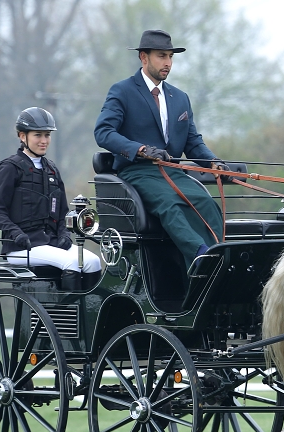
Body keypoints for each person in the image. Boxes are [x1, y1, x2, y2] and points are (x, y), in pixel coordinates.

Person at [94, 29, 230, 269]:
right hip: (138, 172)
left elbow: (192, 142)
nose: (167, 62)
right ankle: (201, 257)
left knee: (207, 203)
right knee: (170, 204)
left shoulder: (180, 98)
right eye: (161, 56)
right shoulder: (122, 91)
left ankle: (219, 260)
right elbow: (103, 133)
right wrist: (141, 149)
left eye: (170, 56)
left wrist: (213, 163)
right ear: (143, 58)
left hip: (173, 173)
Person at [0, 107, 102, 290]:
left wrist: (64, 235)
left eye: (47, 135)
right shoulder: (10, 167)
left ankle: (89, 316)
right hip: (21, 247)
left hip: (50, 243)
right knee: (73, 263)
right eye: (38, 135)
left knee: (93, 262)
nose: (44, 141)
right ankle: (68, 316)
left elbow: (62, 213)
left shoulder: (52, 170)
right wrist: (17, 234)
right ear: (22, 136)